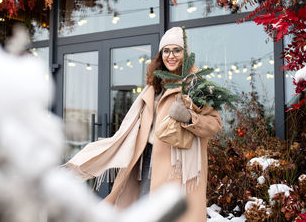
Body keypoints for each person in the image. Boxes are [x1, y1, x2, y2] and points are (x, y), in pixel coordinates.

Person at [66, 27, 222, 222]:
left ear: (186, 54)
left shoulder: (196, 85)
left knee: (167, 213)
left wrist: (190, 118)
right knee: (143, 210)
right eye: (166, 50)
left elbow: (215, 124)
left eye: (176, 50)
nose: (170, 55)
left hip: (176, 163)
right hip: (145, 158)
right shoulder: (154, 85)